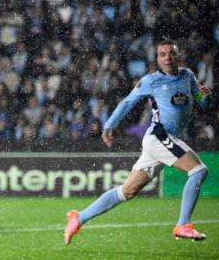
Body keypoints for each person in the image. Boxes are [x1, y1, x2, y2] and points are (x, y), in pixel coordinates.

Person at [65, 41, 212, 244]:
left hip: (166, 140)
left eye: (171, 53)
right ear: (158, 59)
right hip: (160, 136)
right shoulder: (151, 81)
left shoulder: (188, 76)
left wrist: (207, 98)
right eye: (162, 54)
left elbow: (201, 100)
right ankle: (183, 225)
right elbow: (128, 102)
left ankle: (78, 218)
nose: (167, 57)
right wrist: (108, 125)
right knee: (199, 171)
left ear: (178, 56)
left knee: (127, 191)